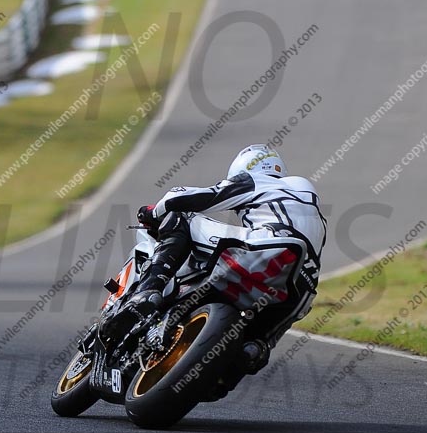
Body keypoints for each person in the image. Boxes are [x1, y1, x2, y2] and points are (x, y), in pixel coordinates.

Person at [104, 144, 326, 345]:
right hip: (300, 289)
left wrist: (153, 212)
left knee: (181, 216)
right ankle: (252, 349)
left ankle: (147, 291)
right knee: (252, 351)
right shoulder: (311, 207)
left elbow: (194, 197)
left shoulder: (257, 181)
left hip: (263, 249)